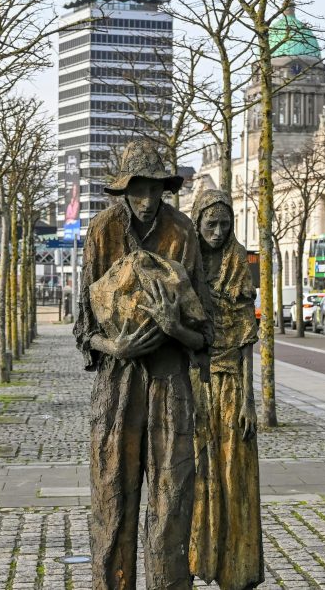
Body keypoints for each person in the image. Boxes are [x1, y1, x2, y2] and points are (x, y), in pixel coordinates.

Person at [74, 141, 212, 590]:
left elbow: (205, 334)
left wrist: (175, 327)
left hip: (170, 384)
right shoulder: (102, 230)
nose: (148, 200)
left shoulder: (183, 232)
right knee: (112, 501)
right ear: (124, 190)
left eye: (155, 189)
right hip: (117, 386)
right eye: (138, 190)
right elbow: (83, 328)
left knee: (172, 503)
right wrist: (116, 348)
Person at [188, 190, 263, 590]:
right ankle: (198, 557)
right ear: (197, 223)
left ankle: (238, 567)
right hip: (195, 382)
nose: (218, 232)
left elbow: (248, 339)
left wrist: (251, 400)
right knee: (198, 472)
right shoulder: (188, 265)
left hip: (232, 385)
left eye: (225, 225)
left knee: (235, 474)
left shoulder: (238, 265)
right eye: (210, 224)